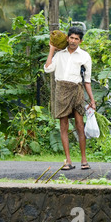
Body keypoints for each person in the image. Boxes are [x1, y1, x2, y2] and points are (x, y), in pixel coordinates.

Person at [44, 27, 96, 170]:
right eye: (71, 38)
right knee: (64, 126)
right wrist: (52, 49)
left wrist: (92, 100)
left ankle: (84, 159)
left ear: (80, 41)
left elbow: (87, 80)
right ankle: (68, 160)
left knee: (80, 125)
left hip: (77, 90)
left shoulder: (85, 56)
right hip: (61, 90)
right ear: (67, 38)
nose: (73, 41)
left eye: (76, 39)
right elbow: (48, 68)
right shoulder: (60, 55)